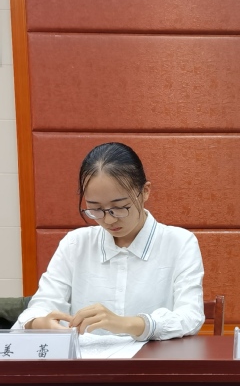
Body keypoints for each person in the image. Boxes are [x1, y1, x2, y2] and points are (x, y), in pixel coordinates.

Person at [13, 142, 204, 340]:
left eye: (120, 207)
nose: (109, 220)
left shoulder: (179, 243)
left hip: (151, 359)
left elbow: (190, 316)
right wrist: (38, 323)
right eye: (95, 209)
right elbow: (40, 306)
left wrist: (126, 324)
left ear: (145, 191)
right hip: (86, 359)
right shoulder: (75, 244)